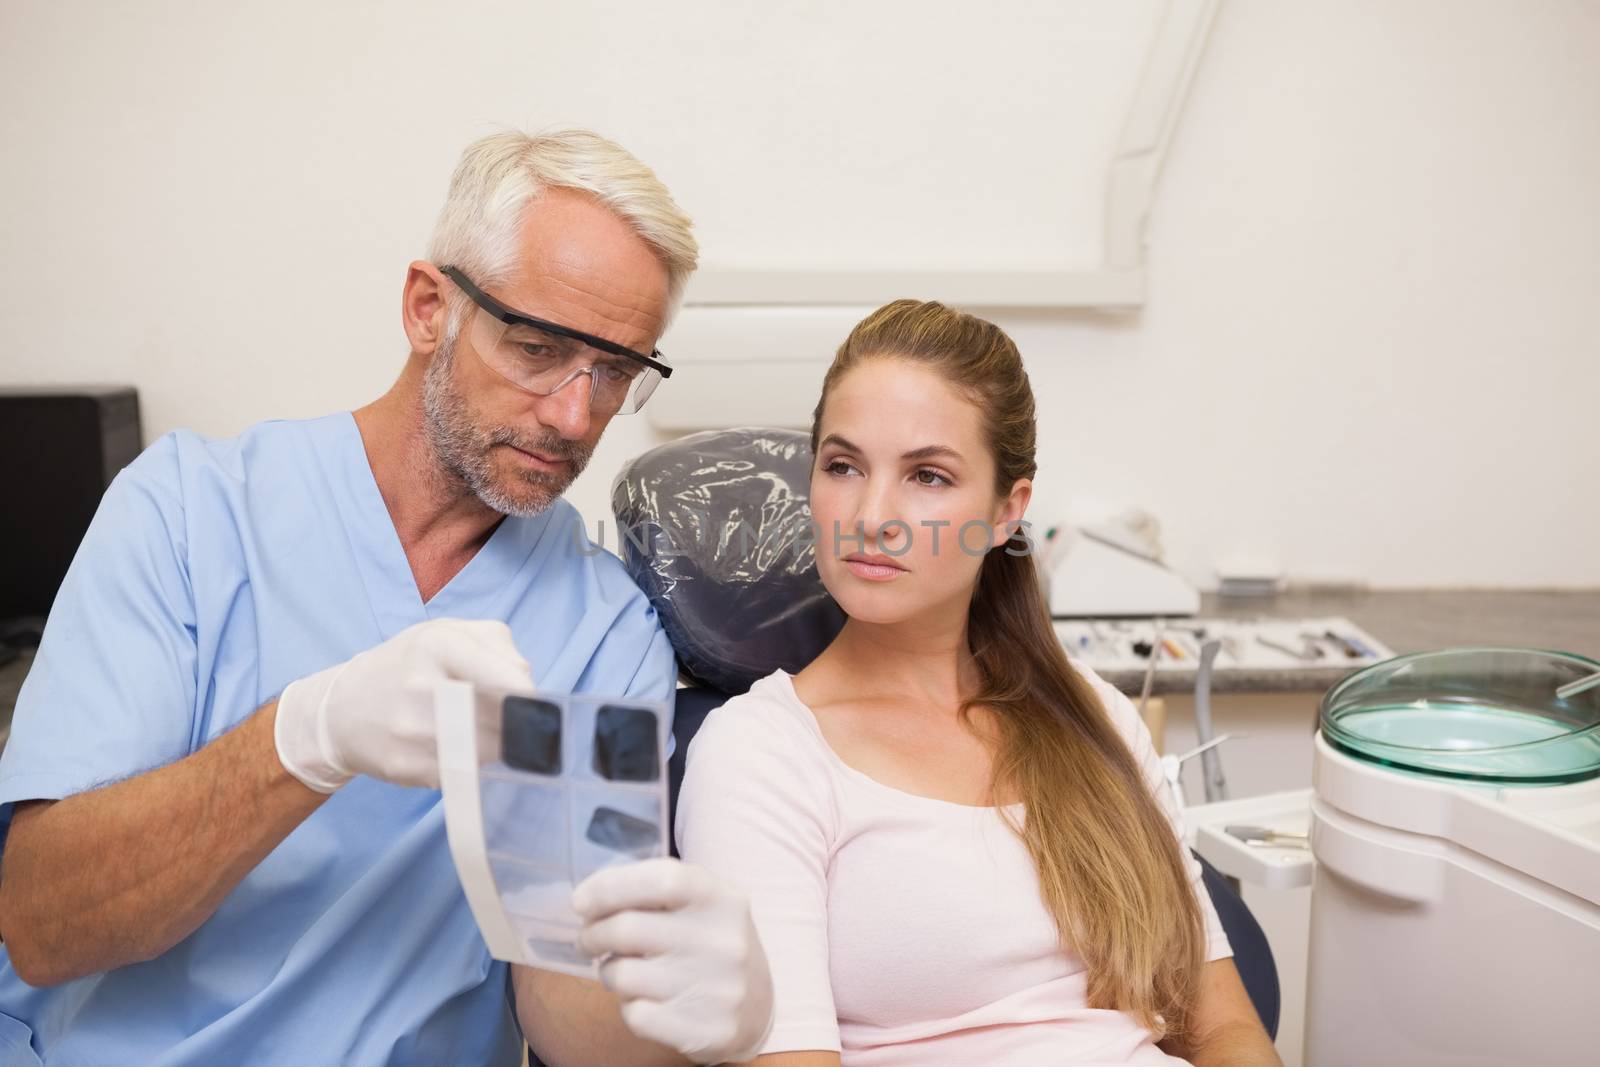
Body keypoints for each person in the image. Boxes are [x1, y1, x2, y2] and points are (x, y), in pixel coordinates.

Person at [0, 129, 773, 1067]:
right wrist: (304, 737)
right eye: (538, 348)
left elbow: (563, 1005)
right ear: (427, 308)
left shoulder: (600, 633)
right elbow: (43, 921)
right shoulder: (191, 518)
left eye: (616, 371)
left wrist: (684, 1012)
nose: (576, 415)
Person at [675, 300, 1282, 1066]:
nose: (871, 515)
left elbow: (1223, 1027)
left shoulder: (1092, 715)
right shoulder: (762, 754)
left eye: (927, 475)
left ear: (1005, 512)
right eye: (843, 465)